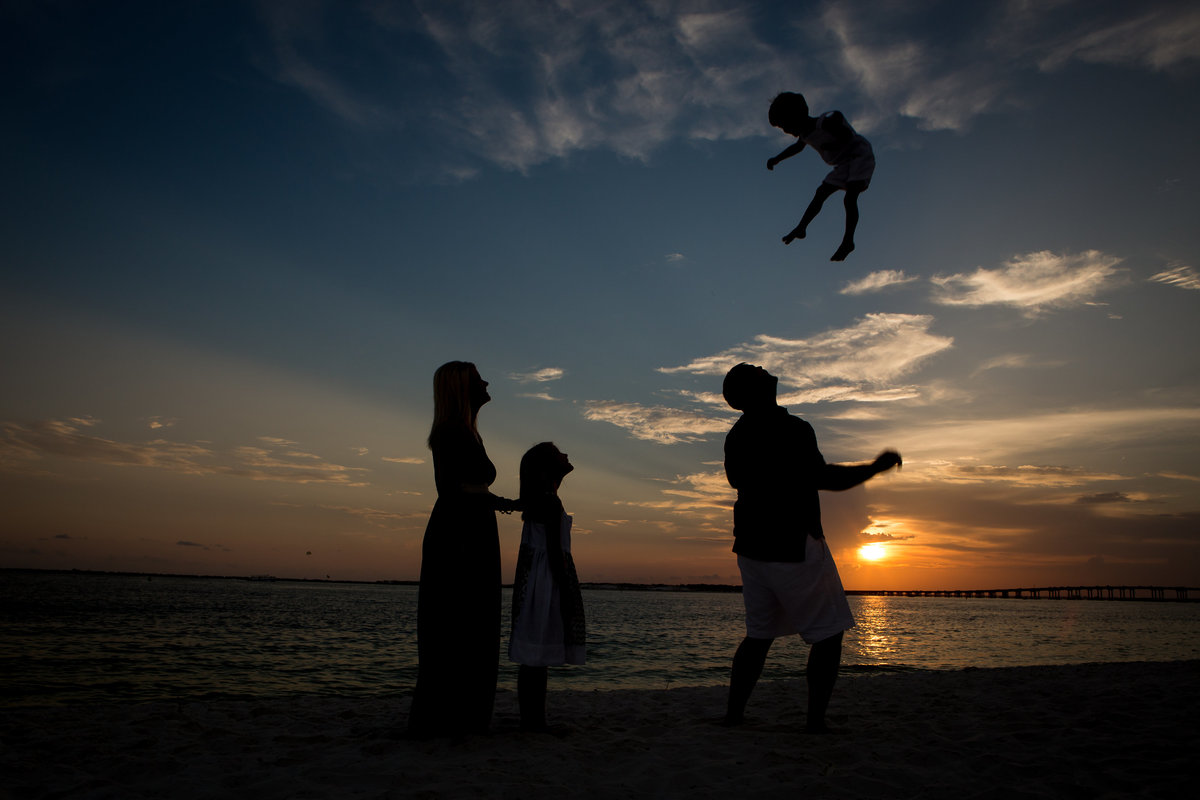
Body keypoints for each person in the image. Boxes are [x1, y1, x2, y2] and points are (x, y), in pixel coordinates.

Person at [720, 363, 901, 733]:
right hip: (793, 543)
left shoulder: (736, 435)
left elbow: (738, 481)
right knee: (829, 633)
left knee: (759, 634)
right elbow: (824, 479)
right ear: (753, 390)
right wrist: (874, 468)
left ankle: (733, 717)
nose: (762, 367)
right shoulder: (792, 429)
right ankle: (815, 723)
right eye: (753, 370)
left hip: (752, 546)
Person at [407, 361, 518, 737]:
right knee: (459, 623)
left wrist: (505, 502)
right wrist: (493, 502)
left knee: (471, 623)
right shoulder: (451, 431)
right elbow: (452, 492)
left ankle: (460, 717)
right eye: (477, 378)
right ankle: (451, 719)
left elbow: (469, 489)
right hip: (460, 536)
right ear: (462, 388)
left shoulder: (465, 432)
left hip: (472, 529)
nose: (486, 381)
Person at [508, 442, 586, 732]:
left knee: (534, 658)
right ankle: (534, 722)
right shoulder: (549, 502)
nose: (566, 454)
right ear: (548, 468)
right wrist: (565, 589)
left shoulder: (542, 499)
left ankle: (533, 720)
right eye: (558, 453)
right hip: (547, 580)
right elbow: (554, 550)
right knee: (536, 659)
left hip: (535, 578)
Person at [766, 91, 875, 261]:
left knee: (850, 197)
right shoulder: (805, 135)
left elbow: (843, 129)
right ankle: (801, 228)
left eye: (785, 125)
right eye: (782, 128)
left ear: (797, 114)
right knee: (821, 193)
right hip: (843, 165)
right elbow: (796, 148)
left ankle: (848, 241)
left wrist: (833, 141)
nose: (786, 130)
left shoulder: (826, 122)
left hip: (859, 155)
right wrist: (776, 159)